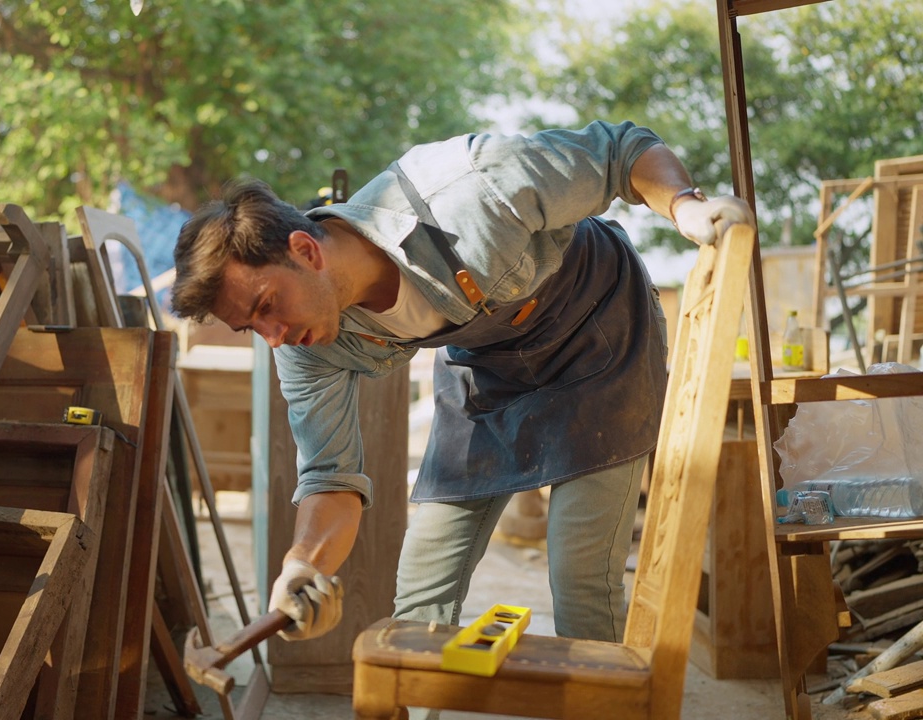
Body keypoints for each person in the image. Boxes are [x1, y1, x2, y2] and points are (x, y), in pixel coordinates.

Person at [168, 121, 754, 647]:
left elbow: (620, 151)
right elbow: (330, 477)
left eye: (268, 305)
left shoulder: (469, 186)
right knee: (424, 582)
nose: (273, 336)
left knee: (579, 579)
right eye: (253, 327)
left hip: (596, 333)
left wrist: (685, 207)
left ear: (304, 250)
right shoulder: (304, 347)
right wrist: (303, 566)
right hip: (487, 366)